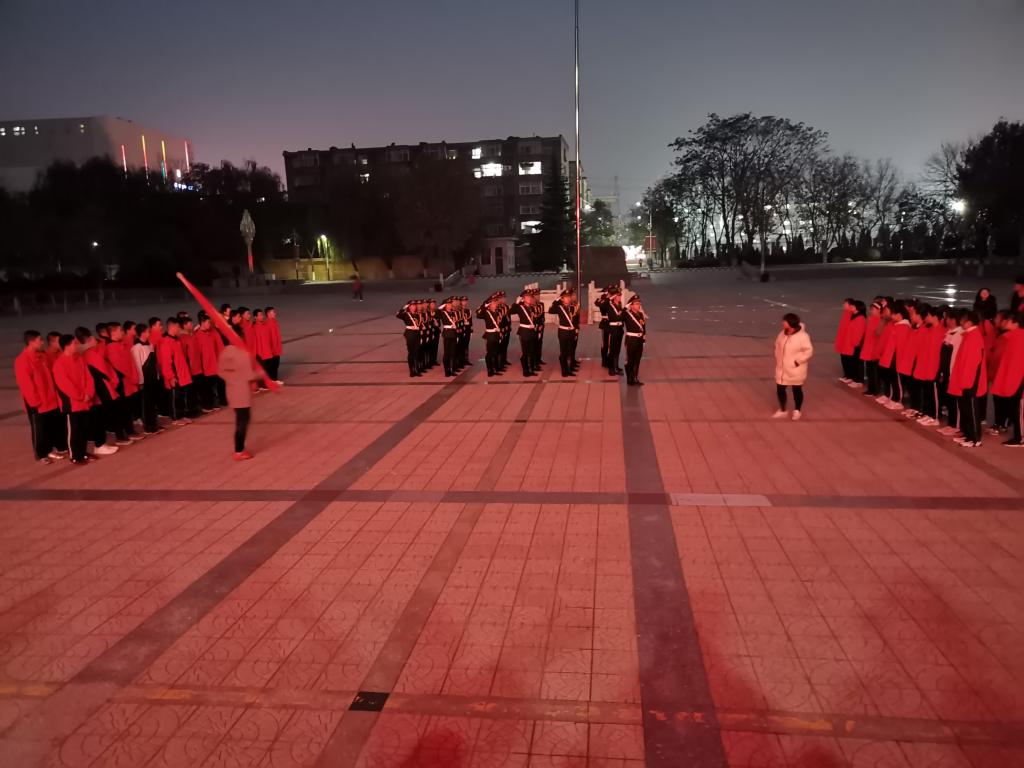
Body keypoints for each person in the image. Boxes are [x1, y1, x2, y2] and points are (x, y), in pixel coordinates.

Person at [52, 334, 117, 463]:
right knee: (74, 430)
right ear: (67, 346)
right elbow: (66, 385)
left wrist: (89, 393)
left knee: (83, 429)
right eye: (74, 343)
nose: (76, 345)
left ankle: (82, 452)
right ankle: (75, 456)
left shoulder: (79, 359)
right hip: (72, 403)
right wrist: (82, 396)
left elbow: (89, 377)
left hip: (84, 401)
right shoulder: (59, 364)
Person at [15, 330, 65, 464]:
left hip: (50, 398)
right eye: (40, 340)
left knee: (49, 426)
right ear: (31, 342)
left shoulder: (42, 356)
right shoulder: (22, 360)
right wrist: (35, 402)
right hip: (37, 403)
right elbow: (25, 384)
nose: (42, 342)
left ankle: (51, 449)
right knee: (39, 430)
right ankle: (41, 453)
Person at [948, 310, 987, 448]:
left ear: (969, 322)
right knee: (966, 408)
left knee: (971, 409)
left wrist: (966, 380)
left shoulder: (974, 336)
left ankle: (975, 438)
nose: (961, 322)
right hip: (965, 378)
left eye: (963, 320)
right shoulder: (969, 335)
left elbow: (972, 362)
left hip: (970, 380)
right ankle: (969, 435)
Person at [218, 341, 260, 460]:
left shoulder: (225, 352)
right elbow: (249, 374)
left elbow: (220, 372)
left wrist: (232, 378)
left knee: (240, 419)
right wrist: (259, 375)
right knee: (243, 420)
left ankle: (239, 448)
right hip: (242, 392)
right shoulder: (242, 353)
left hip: (231, 390)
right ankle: (239, 450)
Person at [773, 312, 813, 421]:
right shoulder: (782, 333)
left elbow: (808, 351)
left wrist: (797, 361)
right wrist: (777, 356)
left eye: (784, 321)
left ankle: (797, 410)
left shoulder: (803, 336)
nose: (783, 323)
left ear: (790, 323)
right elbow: (777, 345)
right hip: (782, 368)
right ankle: (782, 410)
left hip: (795, 369)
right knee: (780, 389)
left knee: (797, 390)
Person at [991, 312, 1024, 447]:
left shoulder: (1018, 337)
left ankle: (1020, 438)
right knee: (1014, 408)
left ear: (1016, 323)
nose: (1004, 322)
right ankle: (1018, 435)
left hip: (1018, 379)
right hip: (1013, 378)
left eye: (1008, 320)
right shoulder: (1013, 337)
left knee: (1018, 409)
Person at [911, 305, 945, 427]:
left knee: (934, 393)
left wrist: (939, 370)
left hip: (934, 367)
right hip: (926, 366)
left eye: (928, 316)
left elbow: (939, 354)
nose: (926, 318)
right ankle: (928, 413)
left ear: (935, 317)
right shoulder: (929, 330)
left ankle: (935, 416)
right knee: (928, 392)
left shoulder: (941, 331)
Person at [158, 317, 193, 424]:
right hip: (175, 375)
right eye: (178, 326)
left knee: (181, 396)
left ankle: (182, 415)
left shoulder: (176, 340)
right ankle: (175, 418)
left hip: (182, 373)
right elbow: (166, 362)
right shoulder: (166, 342)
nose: (179, 329)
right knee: (175, 397)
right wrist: (171, 377)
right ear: (172, 327)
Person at [131, 325, 161, 434]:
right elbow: (138, 365)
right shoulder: (136, 348)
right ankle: (148, 426)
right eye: (148, 331)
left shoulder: (150, 345)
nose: (149, 333)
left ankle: (154, 423)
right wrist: (141, 381)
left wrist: (157, 375)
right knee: (146, 403)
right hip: (145, 379)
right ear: (143, 333)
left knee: (153, 402)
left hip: (153, 377)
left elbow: (154, 363)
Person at [196, 312, 225, 411]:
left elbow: (217, 348)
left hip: (214, 364)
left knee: (213, 385)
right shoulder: (197, 336)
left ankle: (214, 403)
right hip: (205, 366)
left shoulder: (211, 334)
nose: (210, 324)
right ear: (202, 322)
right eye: (208, 322)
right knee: (207, 387)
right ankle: (207, 405)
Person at [509, 290, 538, 377]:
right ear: (523, 298)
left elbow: (535, 319)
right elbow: (510, 312)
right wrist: (516, 303)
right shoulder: (520, 307)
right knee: (525, 352)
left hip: (532, 331)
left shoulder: (532, 308)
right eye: (527, 297)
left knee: (532, 351)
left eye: (530, 297)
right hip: (524, 331)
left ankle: (531, 369)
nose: (529, 298)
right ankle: (525, 370)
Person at [548, 290, 576, 378]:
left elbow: (574, 319)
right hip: (563, 332)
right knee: (563, 352)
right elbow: (550, 311)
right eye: (566, 297)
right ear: (562, 299)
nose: (568, 299)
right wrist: (557, 300)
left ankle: (569, 369)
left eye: (569, 297)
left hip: (571, 331)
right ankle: (564, 370)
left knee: (570, 352)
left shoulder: (572, 307)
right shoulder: (559, 307)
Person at [859, 302, 883, 397]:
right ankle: (871, 388)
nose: (871, 311)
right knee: (869, 370)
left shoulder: (880, 321)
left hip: (874, 350)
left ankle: (875, 389)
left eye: (873, 309)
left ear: (879, 310)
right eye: (871, 309)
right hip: (868, 349)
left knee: (874, 371)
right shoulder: (870, 320)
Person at [623, 294, 647, 386]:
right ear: (631, 305)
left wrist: (644, 339)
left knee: (637, 360)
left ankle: (635, 378)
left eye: (639, 304)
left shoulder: (640, 314)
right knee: (630, 360)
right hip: (631, 340)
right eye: (636, 304)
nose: (638, 305)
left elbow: (643, 328)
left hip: (639, 340)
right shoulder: (627, 314)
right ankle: (629, 378)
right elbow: (620, 316)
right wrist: (626, 307)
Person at [477, 294, 503, 377]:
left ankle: (495, 369)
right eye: (494, 303)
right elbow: (478, 315)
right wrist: (484, 305)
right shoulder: (486, 312)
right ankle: (490, 370)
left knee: (496, 352)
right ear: (490, 304)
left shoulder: (496, 312)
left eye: (496, 302)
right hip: (490, 335)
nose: (496, 304)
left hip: (496, 334)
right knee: (490, 353)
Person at [397, 300, 422, 378]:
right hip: (410, 334)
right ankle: (411, 370)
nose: (414, 307)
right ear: (409, 307)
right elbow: (398, 315)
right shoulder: (406, 314)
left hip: (417, 334)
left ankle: (416, 370)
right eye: (412, 306)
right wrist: (404, 307)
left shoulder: (418, 315)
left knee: (417, 352)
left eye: (414, 305)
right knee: (411, 353)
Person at [605, 289, 625, 376]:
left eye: (620, 295)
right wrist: (610, 297)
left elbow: (621, 316)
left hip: (619, 328)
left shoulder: (619, 304)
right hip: (613, 328)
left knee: (617, 349)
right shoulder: (609, 305)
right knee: (612, 349)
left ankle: (616, 366)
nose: (620, 297)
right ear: (614, 297)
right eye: (618, 295)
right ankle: (611, 368)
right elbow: (603, 304)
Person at [835, 299, 856, 383]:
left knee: (848, 359)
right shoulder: (845, 313)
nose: (843, 305)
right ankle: (846, 375)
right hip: (843, 340)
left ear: (850, 305)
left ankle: (850, 375)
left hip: (848, 341)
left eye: (845, 303)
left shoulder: (852, 315)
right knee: (843, 358)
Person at [265, 307, 283, 384]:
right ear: (268, 314)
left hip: (276, 347)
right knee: (273, 364)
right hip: (272, 348)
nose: (275, 313)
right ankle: (273, 379)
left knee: (276, 363)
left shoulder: (275, 322)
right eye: (273, 312)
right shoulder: (267, 324)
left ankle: (274, 379)